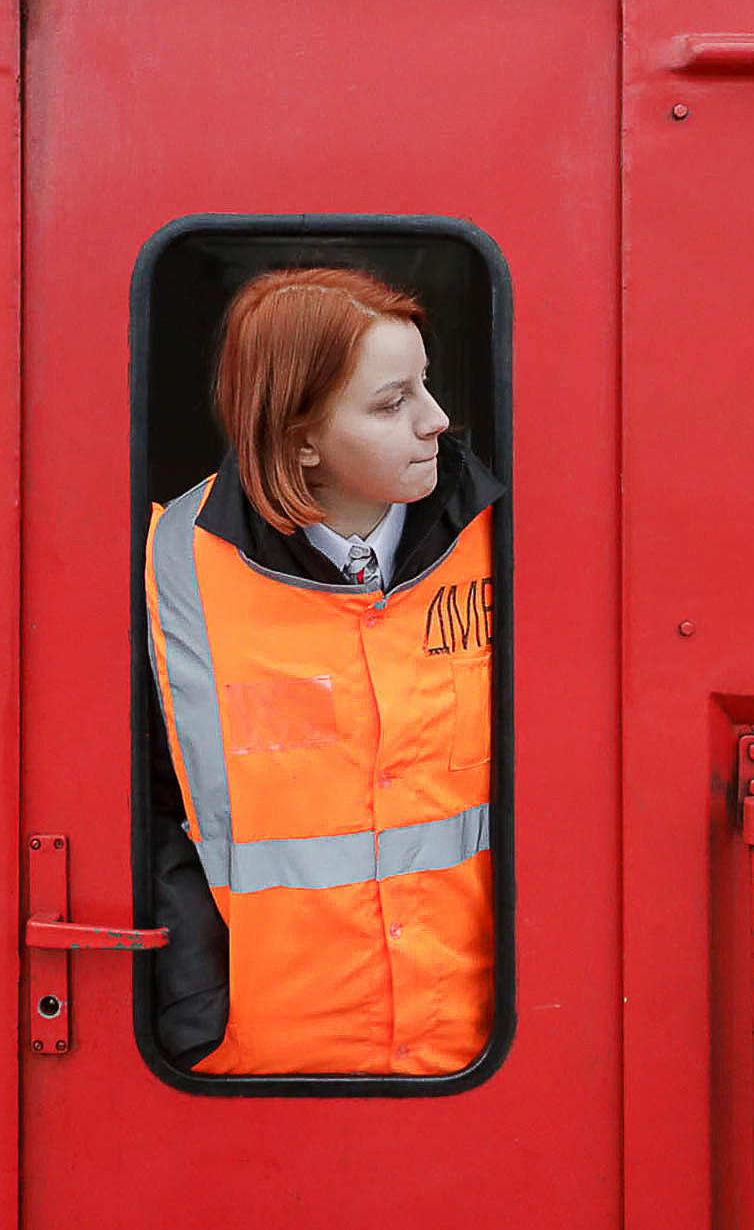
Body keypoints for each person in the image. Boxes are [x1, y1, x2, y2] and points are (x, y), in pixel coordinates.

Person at [145, 266, 503, 1076]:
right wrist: (196, 1026)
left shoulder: (501, 544)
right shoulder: (175, 572)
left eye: (425, 383)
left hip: (487, 1053)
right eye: (392, 402)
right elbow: (151, 816)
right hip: (268, 1070)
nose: (436, 421)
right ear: (299, 437)